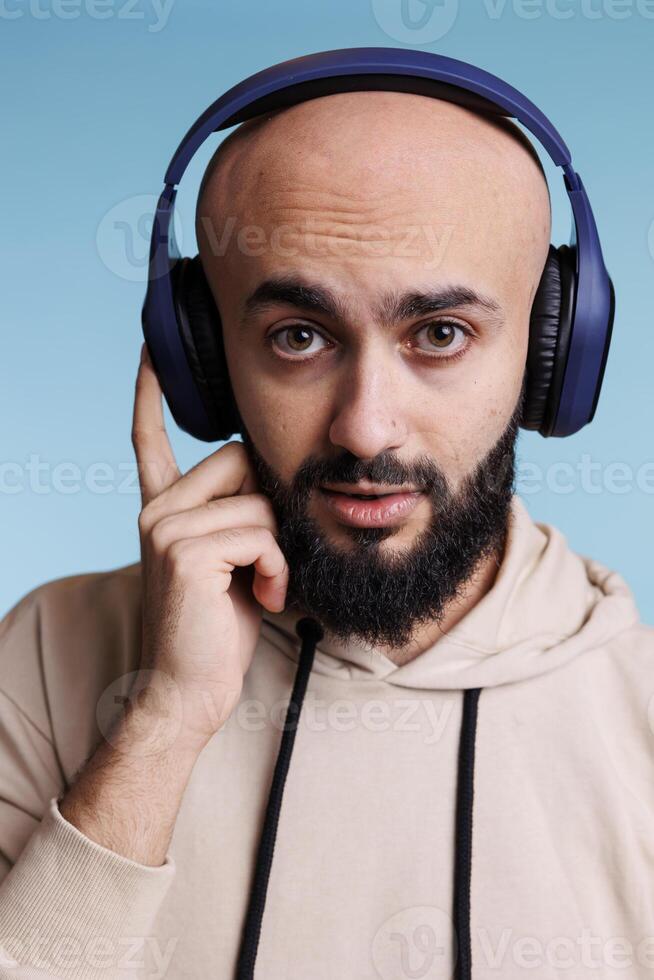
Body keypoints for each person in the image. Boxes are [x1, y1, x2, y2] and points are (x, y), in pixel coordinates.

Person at [0, 87, 651, 980]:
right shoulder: (43, 655)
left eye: (442, 333)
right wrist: (163, 723)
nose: (366, 428)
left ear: (554, 353)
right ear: (204, 359)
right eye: (299, 336)